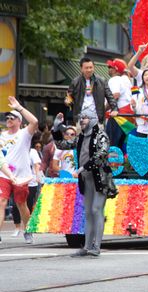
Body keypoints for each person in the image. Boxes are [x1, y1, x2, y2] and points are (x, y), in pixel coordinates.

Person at [52, 108, 118, 257]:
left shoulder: (101, 136)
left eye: (85, 117)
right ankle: (87, 246)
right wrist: (56, 128)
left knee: (96, 210)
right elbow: (62, 145)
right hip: (86, 178)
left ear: (93, 120)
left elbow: (101, 155)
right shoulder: (81, 137)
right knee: (88, 212)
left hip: (100, 178)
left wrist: (82, 168)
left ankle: (96, 246)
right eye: (81, 117)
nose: (82, 120)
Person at [0, 96, 38, 244]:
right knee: (1, 201)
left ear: (19, 121)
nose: (9, 119)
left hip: (21, 177)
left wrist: (19, 108)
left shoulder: (24, 134)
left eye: (13, 117)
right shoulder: (1, 136)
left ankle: (28, 230)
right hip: (3, 175)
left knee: (21, 204)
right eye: (7, 117)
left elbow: (34, 121)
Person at [65, 57, 118, 124]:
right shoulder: (75, 82)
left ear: (94, 67)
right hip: (80, 117)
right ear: (81, 69)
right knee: (81, 134)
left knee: (97, 134)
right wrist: (67, 101)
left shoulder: (102, 81)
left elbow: (110, 97)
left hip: (97, 117)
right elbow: (69, 96)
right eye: (86, 68)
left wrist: (114, 109)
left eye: (91, 67)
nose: (89, 70)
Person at [106, 58, 132, 148]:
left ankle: (112, 162)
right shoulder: (125, 80)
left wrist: (102, 109)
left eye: (110, 67)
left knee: (112, 145)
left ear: (115, 69)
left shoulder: (114, 79)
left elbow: (115, 96)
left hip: (117, 116)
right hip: (127, 116)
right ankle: (120, 162)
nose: (108, 68)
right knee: (121, 146)